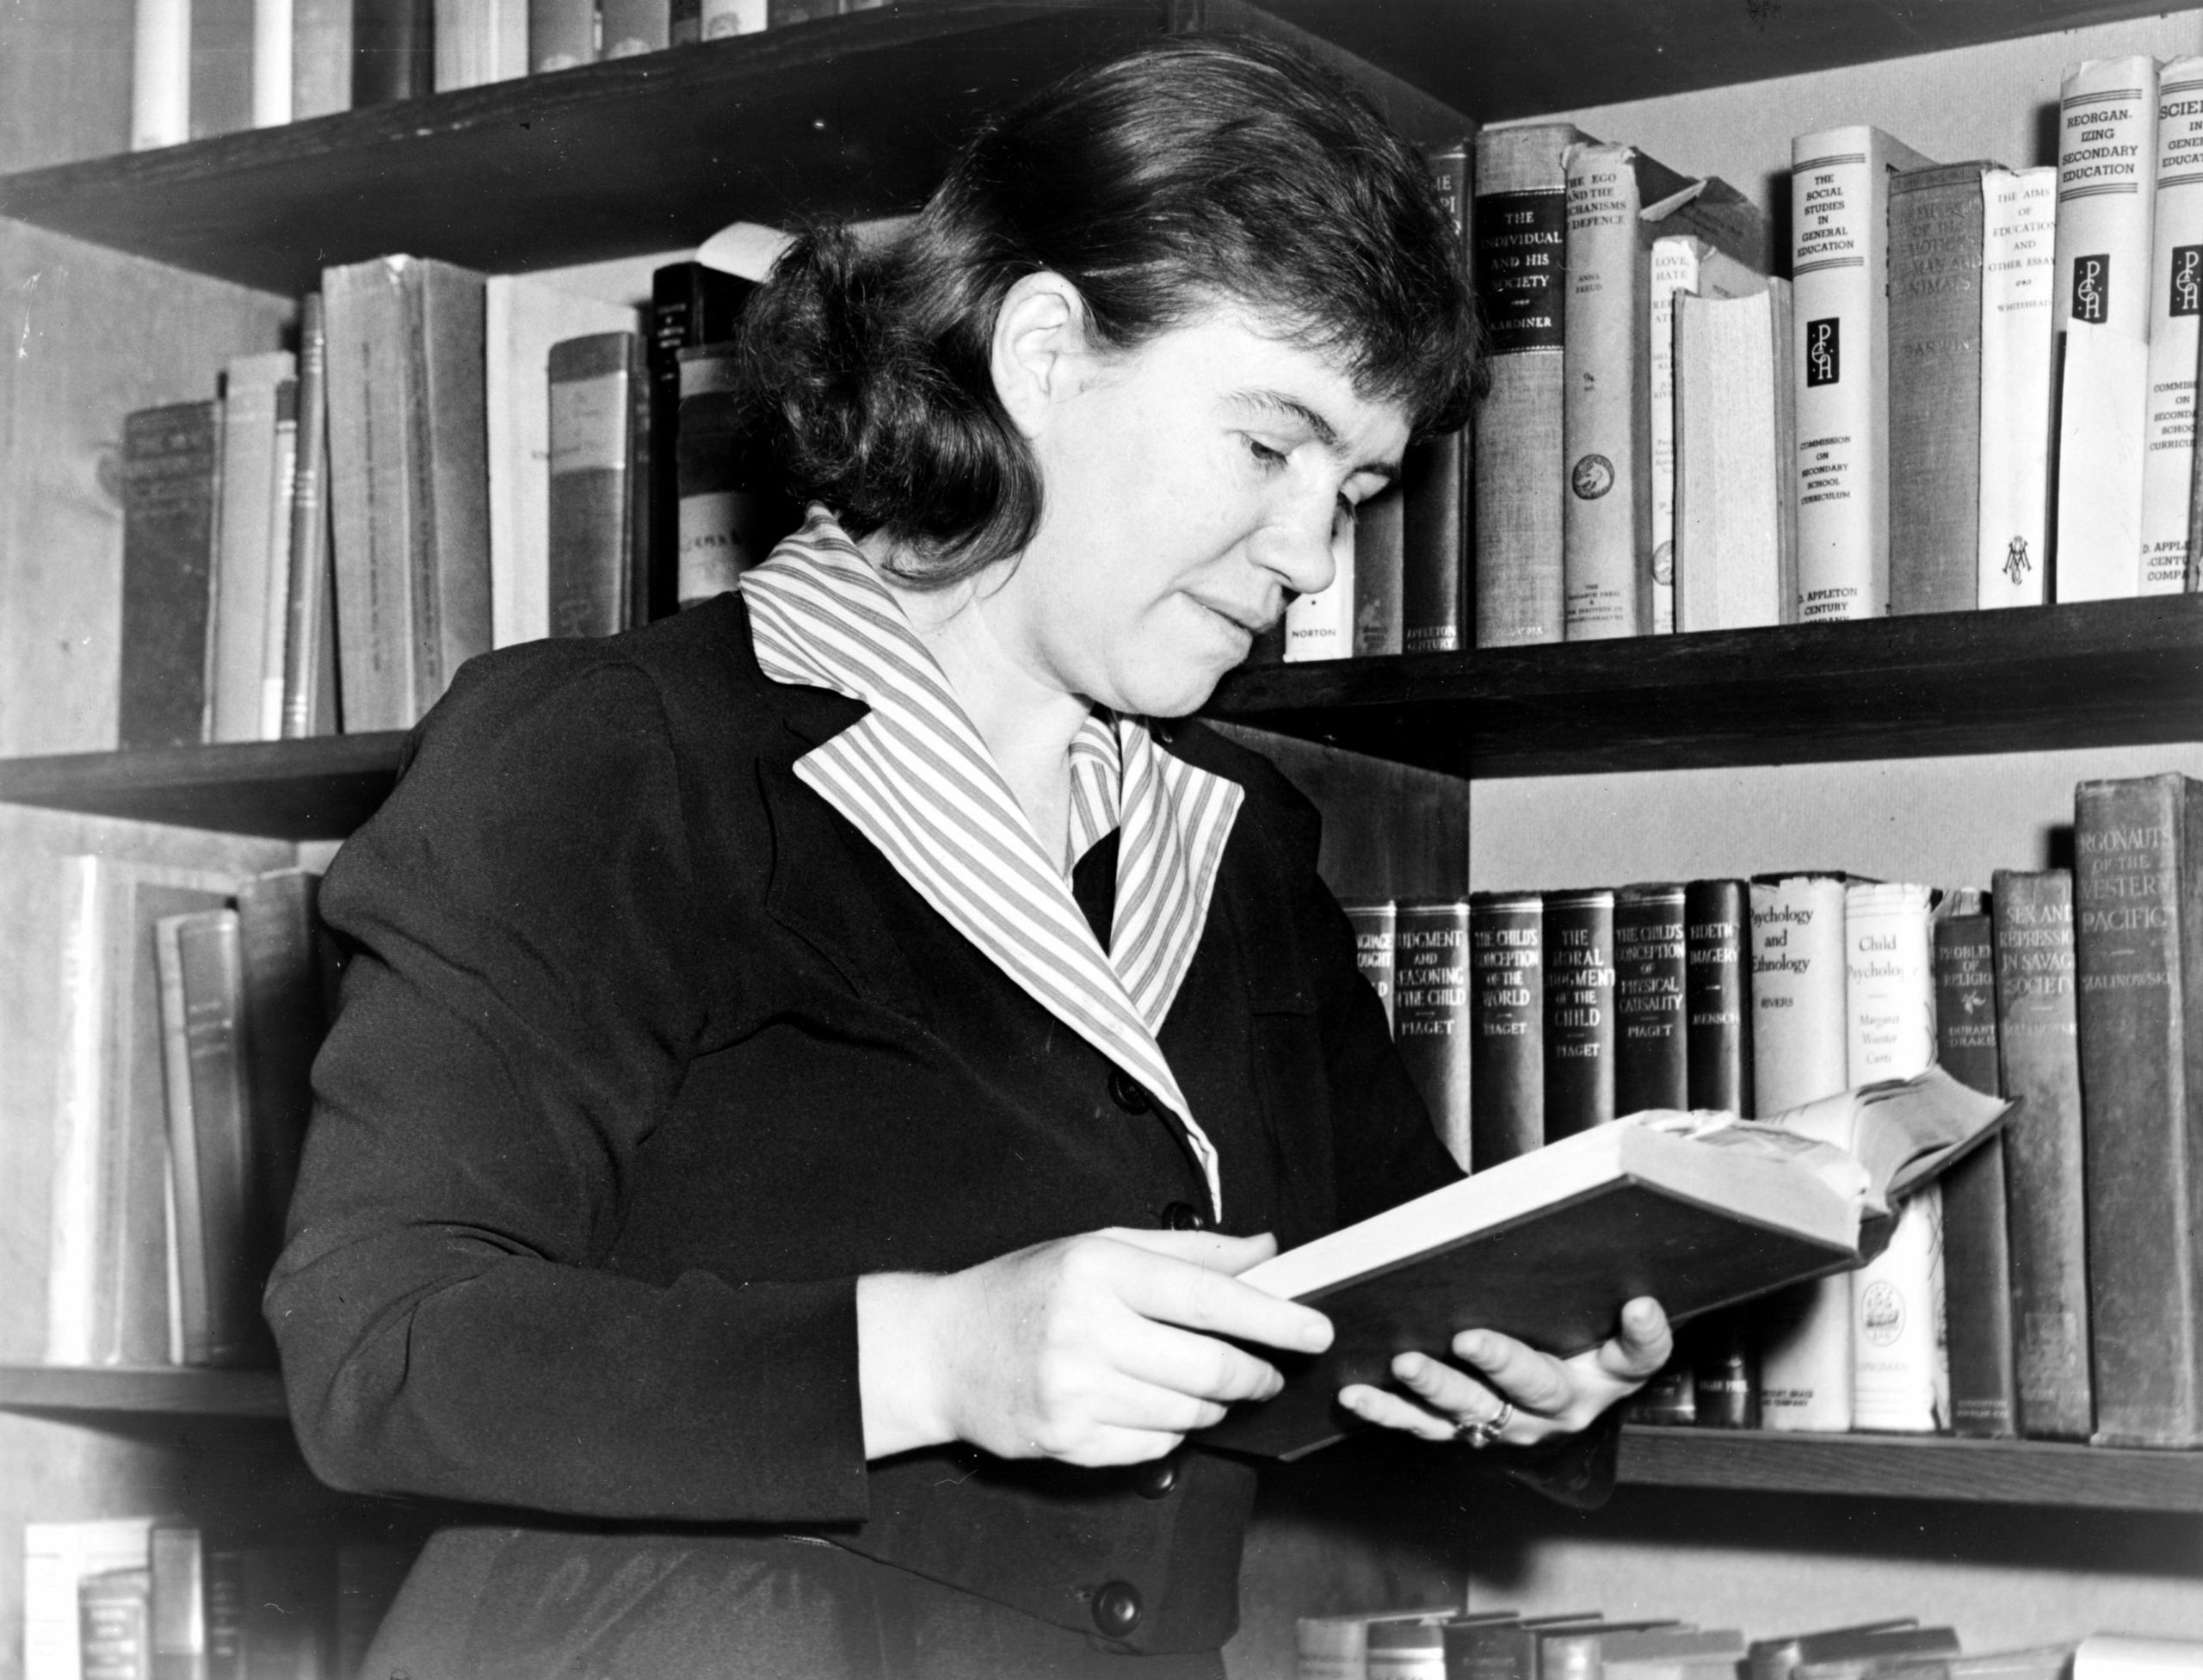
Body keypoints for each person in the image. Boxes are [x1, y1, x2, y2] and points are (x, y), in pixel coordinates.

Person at [267, 33, 1671, 1680]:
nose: (1308, 552)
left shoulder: (1243, 840)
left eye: (1354, 489)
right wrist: (935, 1356)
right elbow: (372, 1347)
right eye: (1268, 445)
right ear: (1045, 353)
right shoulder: (612, 752)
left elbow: (1374, 1273)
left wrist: (1527, 1366)